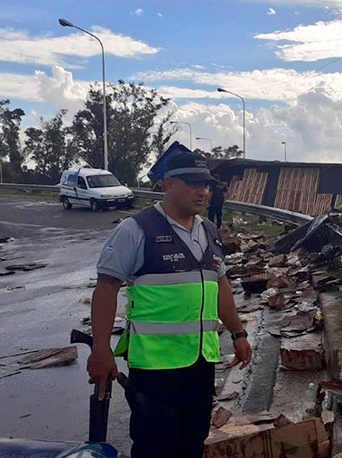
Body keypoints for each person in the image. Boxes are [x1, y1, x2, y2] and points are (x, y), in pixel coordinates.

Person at [87, 152, 252, 458]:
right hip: (155, 367)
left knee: (193, 440)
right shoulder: (137, 229)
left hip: (201, 362)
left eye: (207, 184)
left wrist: (238, 333)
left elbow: (221, 285)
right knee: (156, 446)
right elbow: (107, 288)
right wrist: (101, 349)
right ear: (168, 184)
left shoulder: (209, 231)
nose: (203, 191)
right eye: (193, 183)